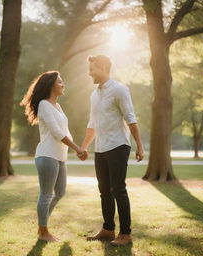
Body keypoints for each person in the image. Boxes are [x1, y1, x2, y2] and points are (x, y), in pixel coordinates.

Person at [79, 55, 144, 246]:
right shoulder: (94, 94)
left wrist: (139, 145)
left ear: (103, 68)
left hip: (118, 146)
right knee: (104, 191)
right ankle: (108, 229)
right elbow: (92, 124)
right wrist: (84, 147)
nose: (89, 73)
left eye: (92, 69)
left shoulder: (119, 90)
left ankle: (125, 233)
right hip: (100, 148)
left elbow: (131, 118)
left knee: (118, 189)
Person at [20, 71, 87, 242]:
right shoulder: (43, 104)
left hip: (60, 156)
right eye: (60, 82)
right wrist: (77, 148)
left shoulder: (58, 106)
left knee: (61, 192)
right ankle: (43, 231)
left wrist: (78, 149)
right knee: (46, 194)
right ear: (51, 85)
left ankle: (42, 225)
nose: (63, 84)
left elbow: (66, 132)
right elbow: (57, 133)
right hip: (47, 155)